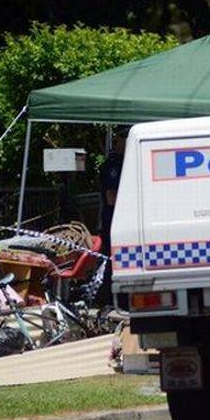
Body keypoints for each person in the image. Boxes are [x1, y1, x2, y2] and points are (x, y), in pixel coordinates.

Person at [98, 128, 128, 307]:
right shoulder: (113, 165)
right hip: (114, 222)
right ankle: (112, 302)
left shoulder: (128, 162)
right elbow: (112, 197)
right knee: (114, 262)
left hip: (124, 221)